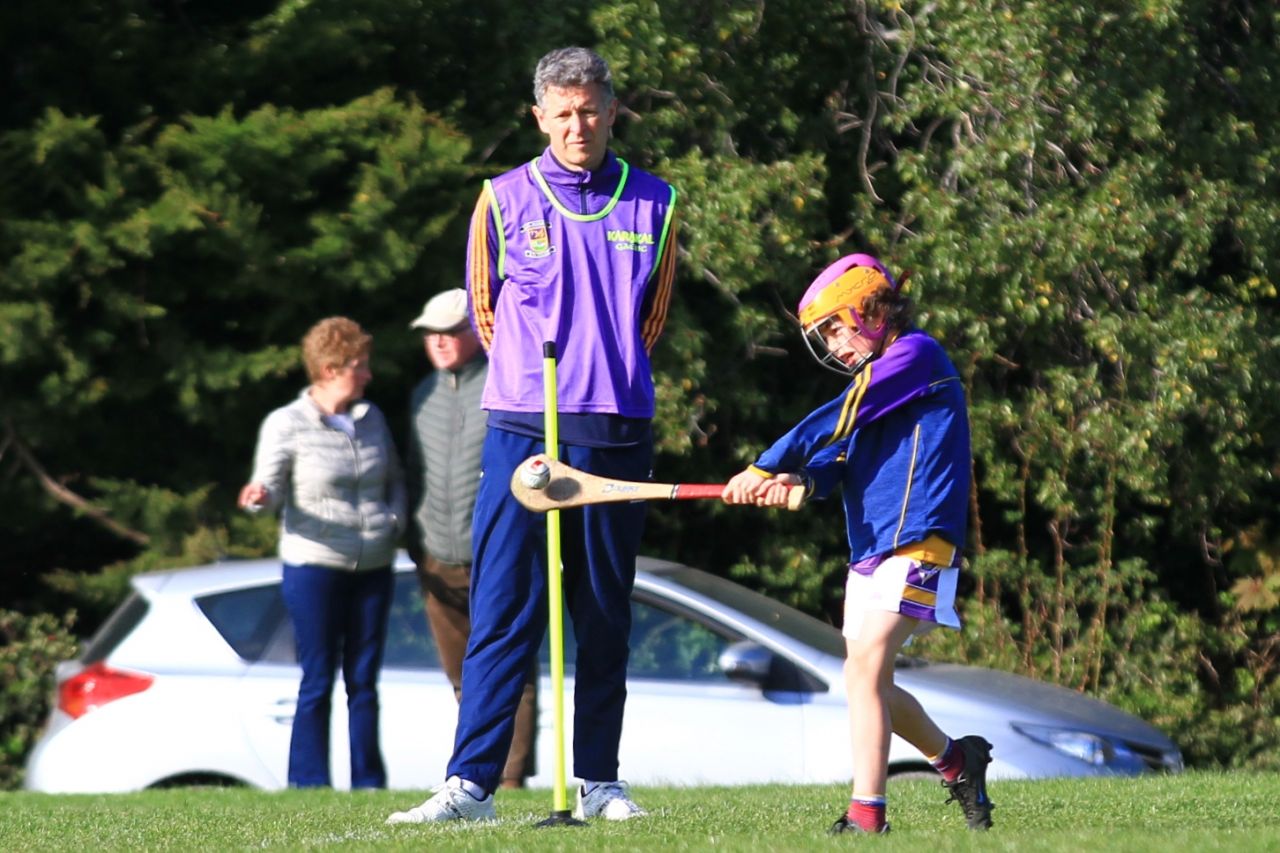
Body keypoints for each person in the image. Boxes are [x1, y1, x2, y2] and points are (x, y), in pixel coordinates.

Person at [386, 45, 679, 825]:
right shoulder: (502, 197)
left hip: (615, 425)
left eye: (590, 110)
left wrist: (601, 372)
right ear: (539, 117)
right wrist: (530, 377)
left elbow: (652, 317)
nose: (578, 125)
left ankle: (600, 781)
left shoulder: (655, 202)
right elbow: (486, 308)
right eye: (562, 113)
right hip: (523, 424)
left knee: (604, 610)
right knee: (504, 602)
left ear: (612, 110)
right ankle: (471, 785)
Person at [721, 253, 994, 834]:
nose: (835, 347)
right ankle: (957, 760)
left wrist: (765, 463)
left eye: (836, 329)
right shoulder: (875, 381)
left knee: (867, 674)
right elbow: (840, 458)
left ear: (869, 311)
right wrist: (800, 479)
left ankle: (867, 816)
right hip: (869, 551)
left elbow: (836, 416)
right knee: (865, 680)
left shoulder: (915, 356)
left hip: (920, 542)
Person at [238, 316, 406, 790]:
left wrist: (392, 523)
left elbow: (394, 479)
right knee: (317, 679)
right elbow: (268, 487)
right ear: (331, 368)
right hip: (313, 565)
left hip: (374, 564)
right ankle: (307, 783)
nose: (368, 374)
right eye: (360, 365)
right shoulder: (286, 423)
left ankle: (368, 782)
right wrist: (258, 499)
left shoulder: (371, 419)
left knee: (364, 682)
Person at [405, 288, 538, 790]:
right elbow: (415, 472)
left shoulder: (506, 387)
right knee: (461, 675)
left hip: (496, 551)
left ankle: (507, 776)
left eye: (450, 332)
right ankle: (469, 774)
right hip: (436, 556)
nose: (439, 342)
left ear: (478, 333)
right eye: (430, 334)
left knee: (510, 668)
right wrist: (417, 546)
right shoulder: (422, 395)